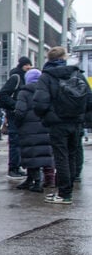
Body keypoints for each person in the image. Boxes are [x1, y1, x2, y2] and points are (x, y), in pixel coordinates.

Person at [33, 46, 91, 204]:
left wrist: (45, 117)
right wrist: (83, 117)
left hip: (57, 123)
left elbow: (39, 102)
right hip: (76, 122)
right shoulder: (77, 73)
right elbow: (89, 98)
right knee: (72, 156)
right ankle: (67, 190)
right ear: (64, 58)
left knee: (61, 157)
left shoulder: (47, 76)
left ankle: (64, 193)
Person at [13, 68, 52, 193]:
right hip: (44, 126)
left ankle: (37, 181)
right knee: (40, 154)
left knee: (31, 155)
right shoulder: (45, 91)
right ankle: (31, 179)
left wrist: (18, 125)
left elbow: (19, 112)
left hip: (28, 129)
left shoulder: (24, 93)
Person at [0, 56, 32, 177]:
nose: (29, 67)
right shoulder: (16, 77)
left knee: (19, 142)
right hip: (15, 115)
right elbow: (3, 94)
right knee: (15, 141)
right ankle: (13, 168)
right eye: (26, 64)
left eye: (29, 65)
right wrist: (17, 106)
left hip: (20, 114)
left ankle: (17, 166)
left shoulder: (24, 78)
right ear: (22, 65)